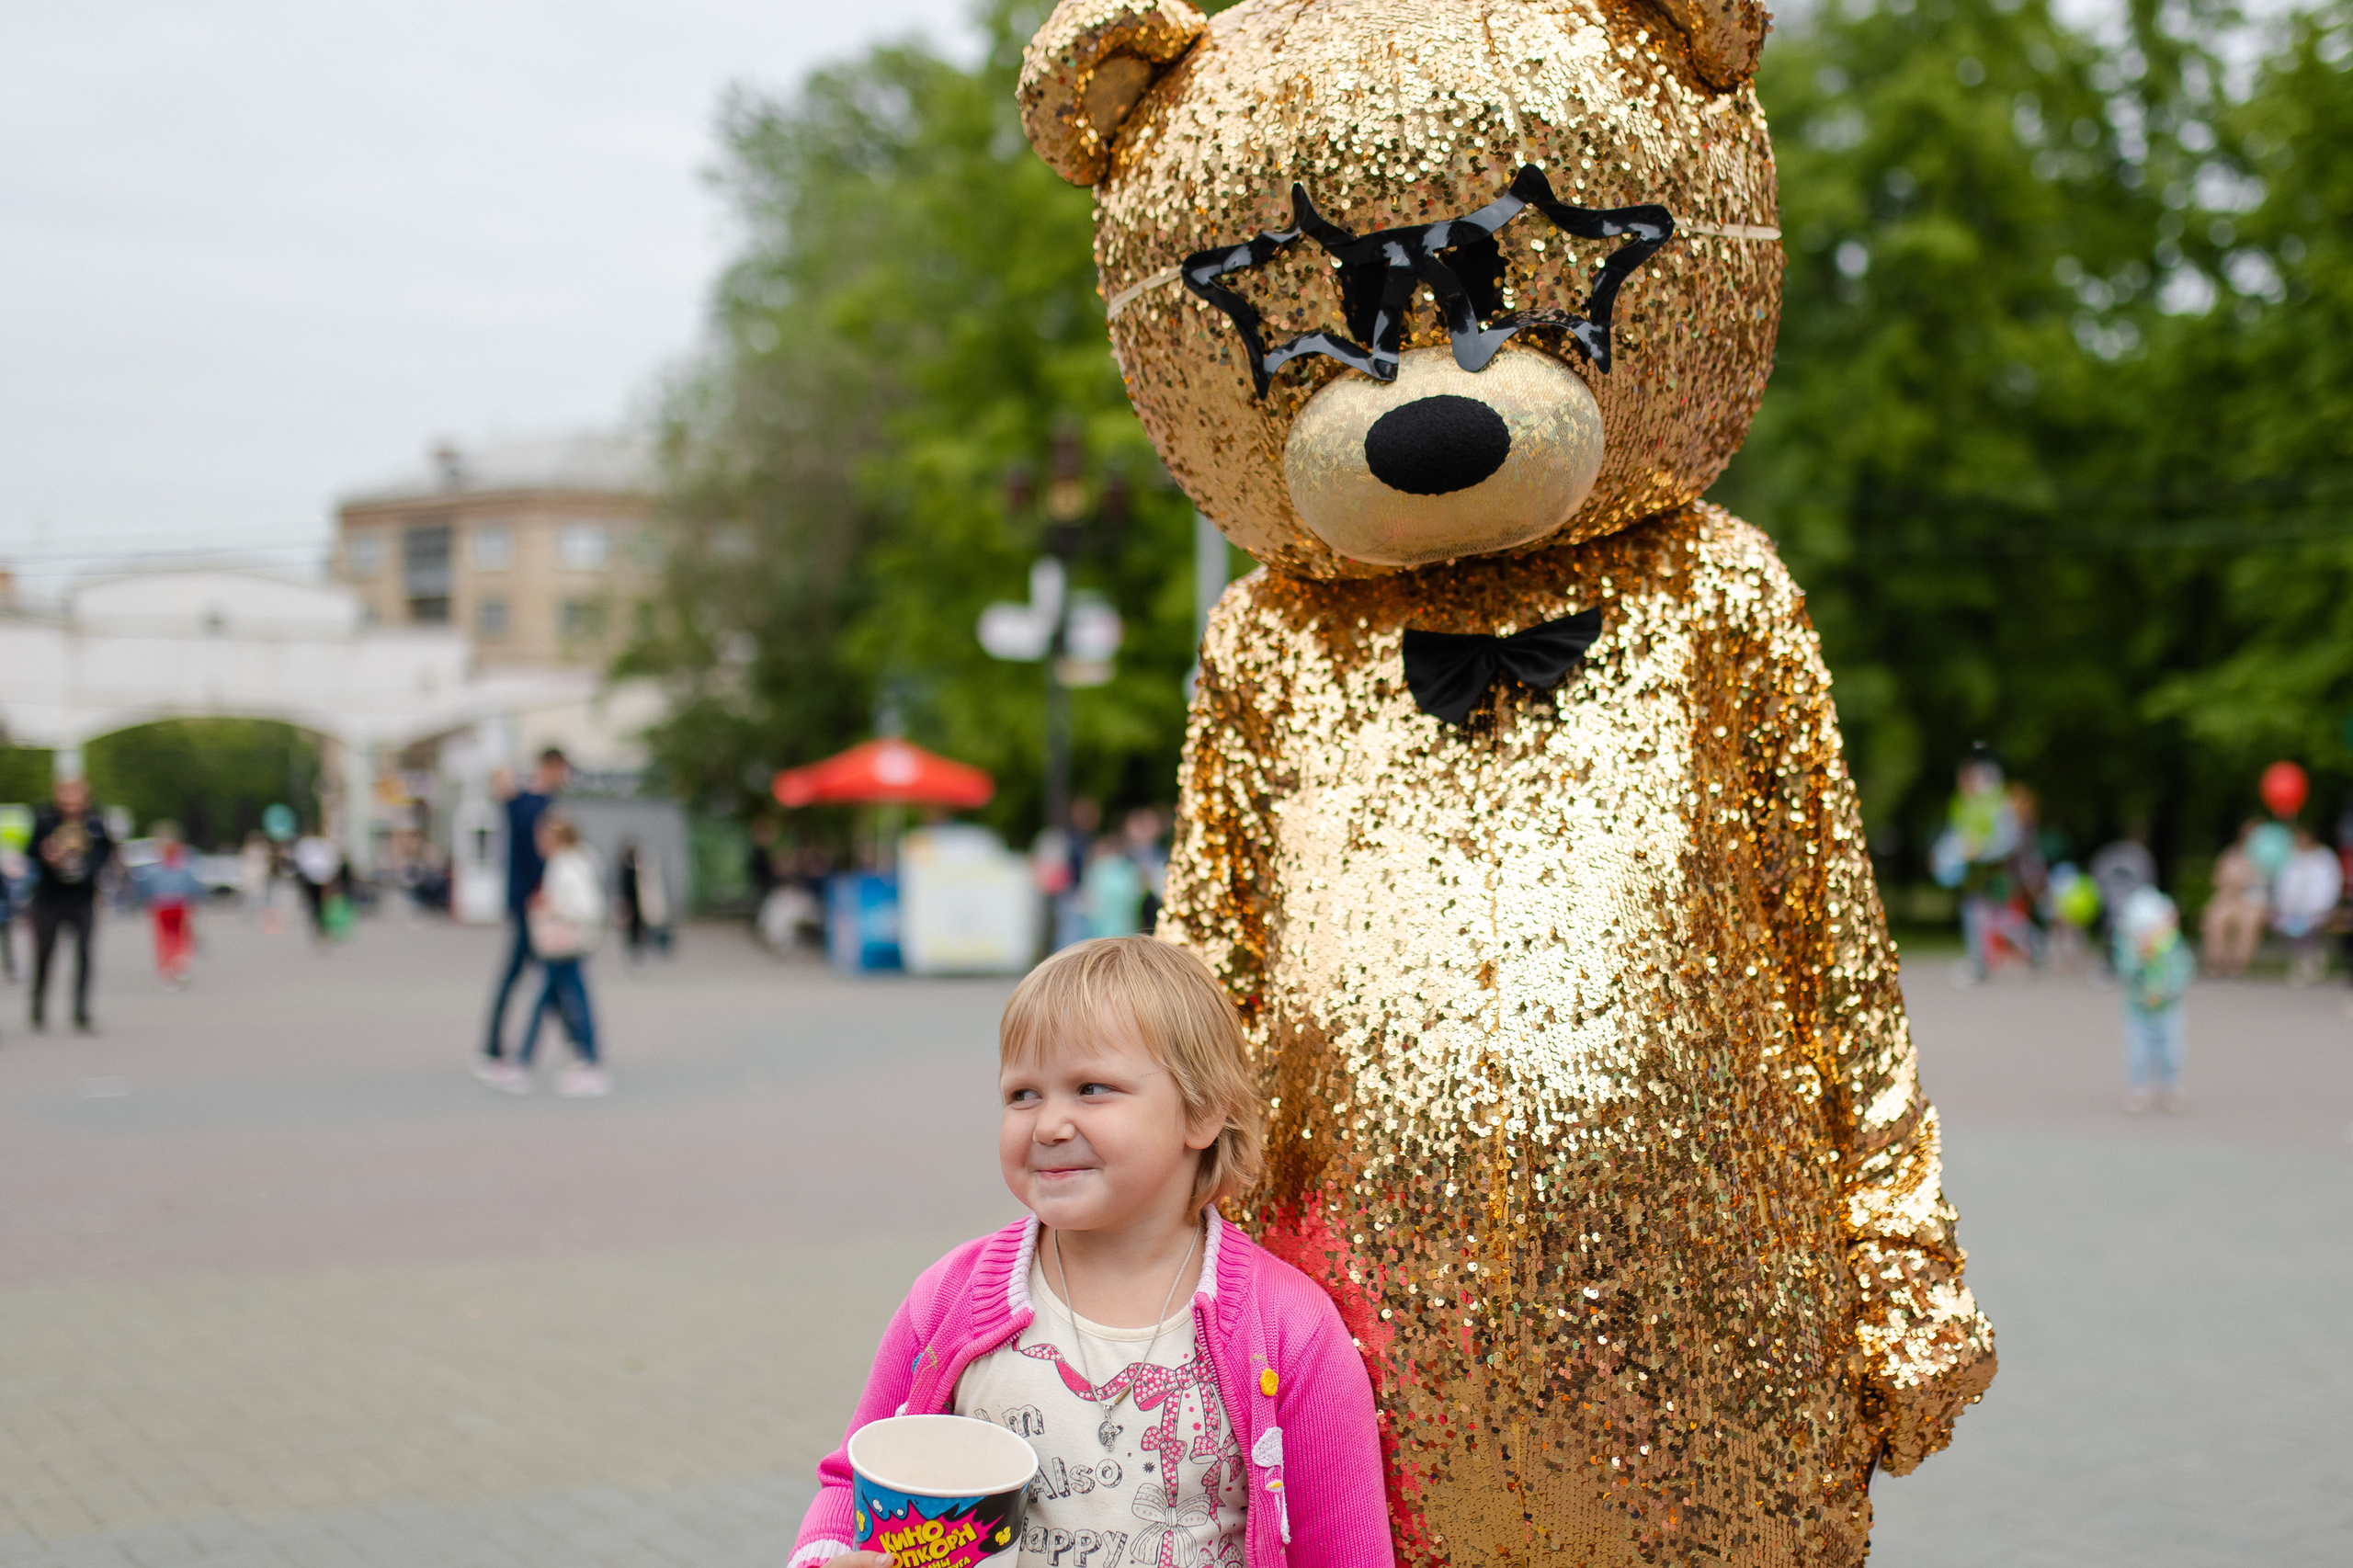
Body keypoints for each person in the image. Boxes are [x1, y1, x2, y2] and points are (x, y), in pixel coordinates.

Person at [790, 937, 1391, 1568]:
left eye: (1091, 1088)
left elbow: (1346, 1549)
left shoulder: (1289, 1329)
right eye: (1023, 1094)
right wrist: (827, 1559)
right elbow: (851, 1482)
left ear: (1202, 1111)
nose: (1048, 1124)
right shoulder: (951, 1299)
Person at [475, 747, 569, 1089]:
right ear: (552, 766)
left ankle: (579, 1043)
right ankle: (504, 1050)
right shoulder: (534, 805)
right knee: (551, 974)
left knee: (548, 974)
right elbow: (538, 858)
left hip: (527, 903)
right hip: (532, 904)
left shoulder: (525, 801)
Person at [509, 812, 609, 1096]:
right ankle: (583, 1057)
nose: (539, 842)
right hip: (570, 942)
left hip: (563, 942)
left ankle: (528, 1061)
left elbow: (582, 905)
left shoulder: (564, 864)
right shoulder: (579, 860)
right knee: (561, 999)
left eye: (543, 837)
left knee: (550, 998)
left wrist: (552, 907)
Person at [28, 777, 115, 1034]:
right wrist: (46, 854)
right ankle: (38, 1007)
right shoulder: (45, 821)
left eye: (76, 799)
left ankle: (80, 1011)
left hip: (82, 899)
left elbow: (107, 853)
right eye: (66, 799)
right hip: (49, 899)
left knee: (85, 955)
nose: (71, 805)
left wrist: (90, 867)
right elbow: (29, 852)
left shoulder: (95, 822)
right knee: (44, 955)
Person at [2117, 887, 2195, 1114]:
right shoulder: (2128, 947)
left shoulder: (2173, 946)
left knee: (2171, 1051)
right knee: (2137, 1053)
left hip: (2168, 1010)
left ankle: (2168, 1087)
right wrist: (2139, 956)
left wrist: (2168, 991)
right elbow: (2125, 971)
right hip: (2137, 1011)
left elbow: (2183, 971)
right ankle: (2137, 1089)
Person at [2272, 827, 2342, 986]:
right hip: (2291, 909)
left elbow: (2330, 887)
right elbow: (2282, 886)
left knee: (2310, 925)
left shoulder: (2324, 858)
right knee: (2280, 923)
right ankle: (2302, 959)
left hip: (2318, 908)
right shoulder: (2291, 858)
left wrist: (2316, 907)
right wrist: (2286, 906)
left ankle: (2307, 960)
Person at [137, 822, 204, 986]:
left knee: (172, 936)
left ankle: (174, 964)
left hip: (170, 903)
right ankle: (176, 964)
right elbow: (193, 882)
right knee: (174, 936)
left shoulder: (154, 861)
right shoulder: (186, 859)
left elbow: (145, 884)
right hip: (169, 903)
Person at [2200, 820, 2268, 978]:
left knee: (2249, 921)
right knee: (2216, 918)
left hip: (2253, 903)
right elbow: (2219, 879)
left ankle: (2238, 962)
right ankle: (2217, 960)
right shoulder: (2231, 854)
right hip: (2229, 899)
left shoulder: (2266, 858)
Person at [616, 839, 672, 960]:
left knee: (653, 926)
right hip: (636, 903)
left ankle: (656, 947)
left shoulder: (644, 865)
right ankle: (639, 949)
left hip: (644, 902)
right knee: (637, 927)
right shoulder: (628, 868)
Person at [290, 829, 345, 946]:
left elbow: (298, 862)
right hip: (323, 878)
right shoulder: (325, 844)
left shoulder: (305, 844)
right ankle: (322, 926)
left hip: (311, 879)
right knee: (320, 904)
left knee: (314, 904)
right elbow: (334, 860)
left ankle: (319, 925)